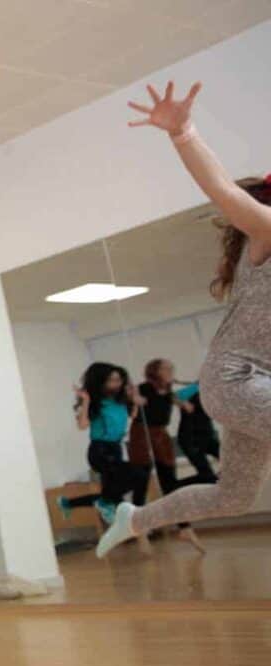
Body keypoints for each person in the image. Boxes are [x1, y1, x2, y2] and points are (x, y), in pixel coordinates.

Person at [98, 81, 271, 557]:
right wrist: (184, 132)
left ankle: (137, 520)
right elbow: (222, 190)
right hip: (235, 380)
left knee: (232, 496)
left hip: (257, 384)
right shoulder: (266, 228)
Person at [57, 363, 152, 536]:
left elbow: (132, 416)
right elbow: (82, 425)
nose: (116, 383)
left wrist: (135, 401)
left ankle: (68, 503)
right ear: (101, 382)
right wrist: (86, 401)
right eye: (112, 380)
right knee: (140, 474)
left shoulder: (120, 401)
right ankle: (138, 515)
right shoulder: (97, 403)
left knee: (113, 496)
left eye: (118, 380)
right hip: (100, 451)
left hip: (115, 448)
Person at [131, 358, 206, 550]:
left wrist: (183, 404)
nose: (171, 370)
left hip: (161, 435)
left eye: (172, 367)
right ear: (155, 372)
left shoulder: (169, 391)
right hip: (142, 434)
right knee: (141, 481)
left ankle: (184, 528)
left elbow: (173, 399)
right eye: (167, 368)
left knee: (170, 484)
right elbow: (130, 400)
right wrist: (134, 400)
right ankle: (138, 529)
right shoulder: (145, 388)